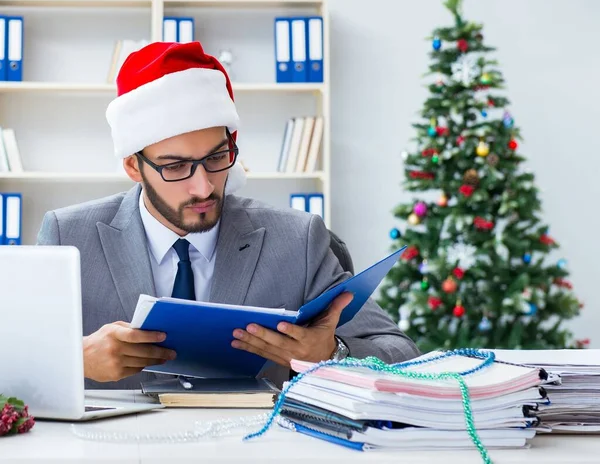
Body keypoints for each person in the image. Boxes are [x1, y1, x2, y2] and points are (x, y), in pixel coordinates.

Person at [36, 41, 420, 389]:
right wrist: (74, 360)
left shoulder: (298, 239)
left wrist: (333, 353)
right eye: (175, 166)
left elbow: (402, 352)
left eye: (217, 158)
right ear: (134, 167)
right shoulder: (67, 236)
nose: (203, 187)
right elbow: (16, 362)